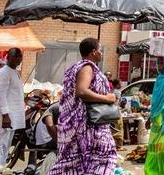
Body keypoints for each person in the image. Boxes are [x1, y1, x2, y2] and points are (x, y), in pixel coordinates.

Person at [48, 38, 118, 175]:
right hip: (87, 126)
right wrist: (107, 98)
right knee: (105, 158)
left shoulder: (75, 67)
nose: (102, 53)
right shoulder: (87, 67)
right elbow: (81, 91)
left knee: (74, 164)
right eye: (100, 50)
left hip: (77, 126)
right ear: (93, 52)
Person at [0, 48, 25, 169]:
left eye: (19, 56)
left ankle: (2, 168)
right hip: (5, 116)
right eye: (15, 56)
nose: (18, 58)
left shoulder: (15, 72)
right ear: (8, 57)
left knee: (7, 144)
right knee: (0, 144)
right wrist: (5, 115)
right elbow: (0, 95)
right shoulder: (3, 72)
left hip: (13, 116)